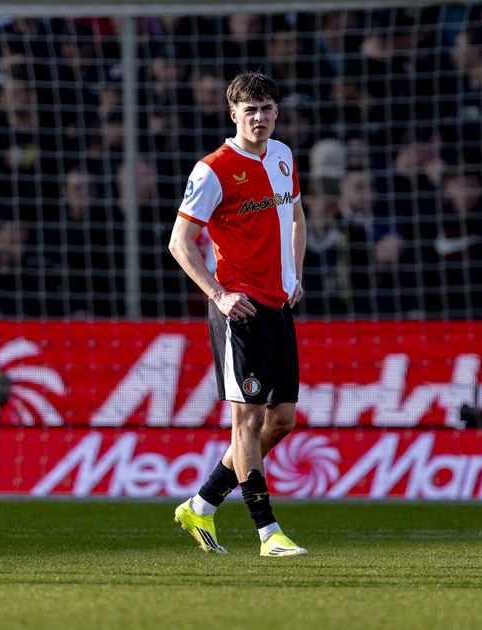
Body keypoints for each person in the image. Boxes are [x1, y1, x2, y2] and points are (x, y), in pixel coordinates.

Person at [168, 71, 308, 557]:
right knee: (245, 421)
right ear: (234, 114)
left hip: (278, 304)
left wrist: (296, 273)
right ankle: (268, 533)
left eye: (267, 108)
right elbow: (179, 242)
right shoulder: (212, 169)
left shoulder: (285, 157)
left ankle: (202, 504)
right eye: (250, 109)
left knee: (283, 420)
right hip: (239, 309)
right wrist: (218, 295)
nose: (260, 117)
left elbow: (296, 215)